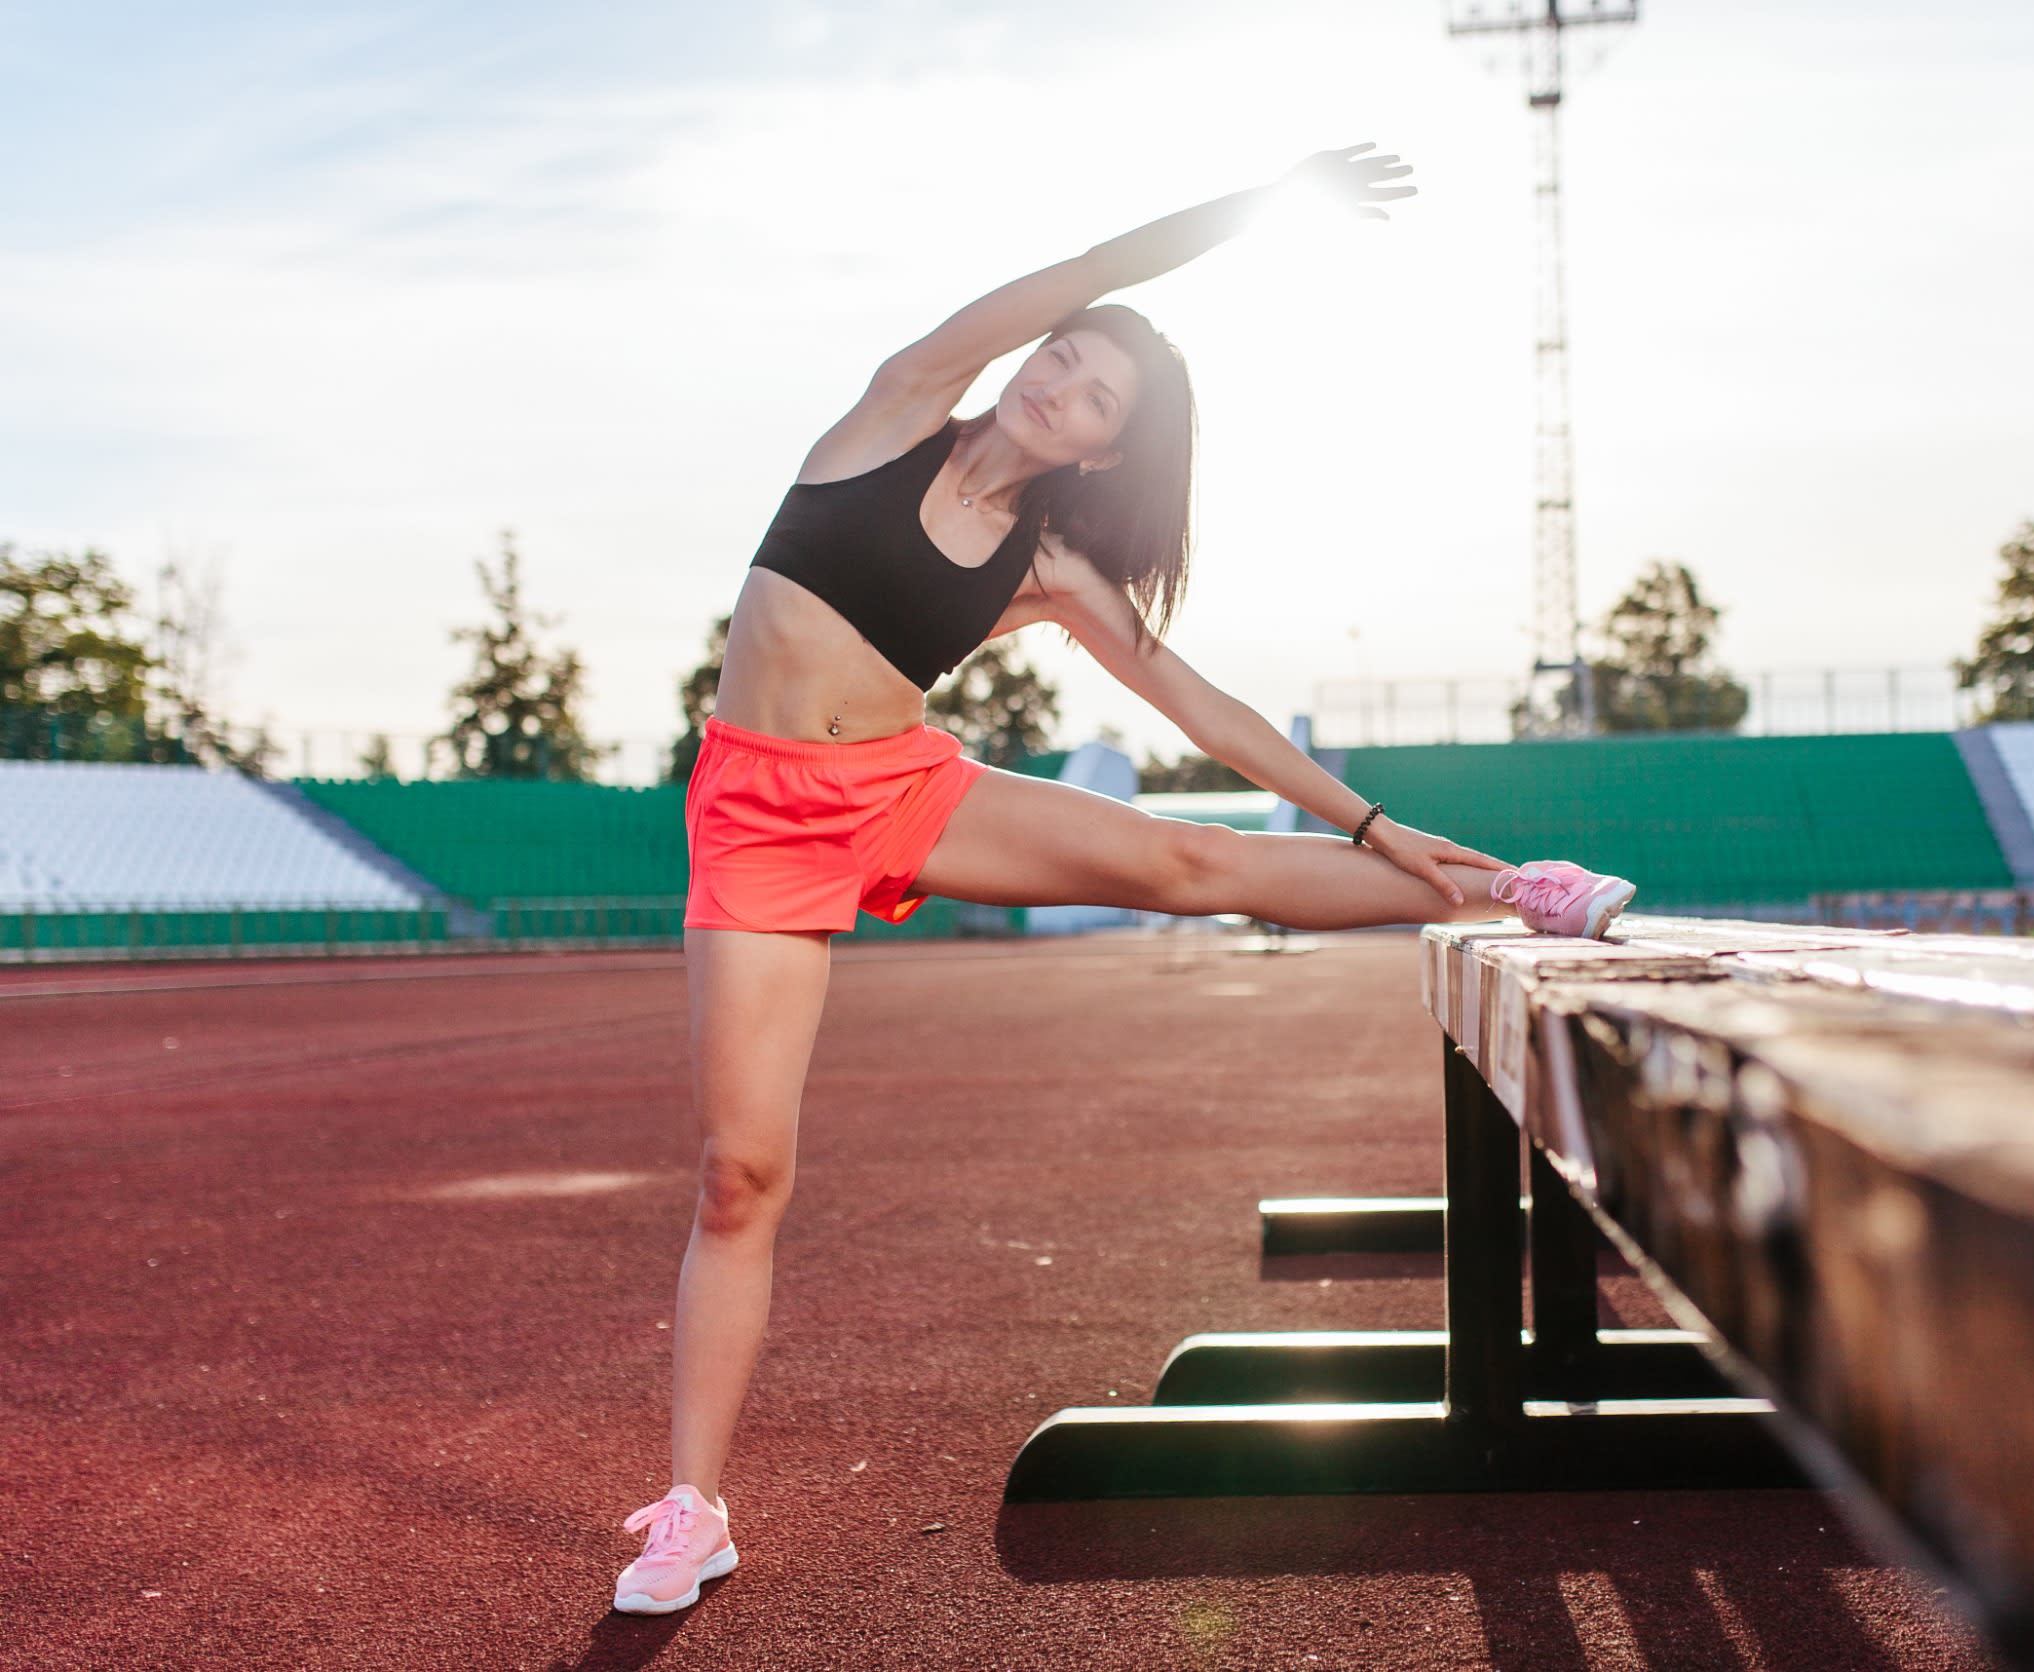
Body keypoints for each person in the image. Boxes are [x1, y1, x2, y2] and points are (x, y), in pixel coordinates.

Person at [612, 144, 1638, 1614]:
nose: (1065, 381)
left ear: (1101, 452)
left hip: (901, 786)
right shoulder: (901, 403)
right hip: (756, 814)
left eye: (1098, 396)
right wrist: (1267, 208)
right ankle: (693, 1508)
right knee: (739, 1175)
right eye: (1069, 357)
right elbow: (1091, 267)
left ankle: (1495, 885)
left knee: (1187, 857)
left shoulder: (1052, 564)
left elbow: (1206, 716)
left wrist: (1373, 824)